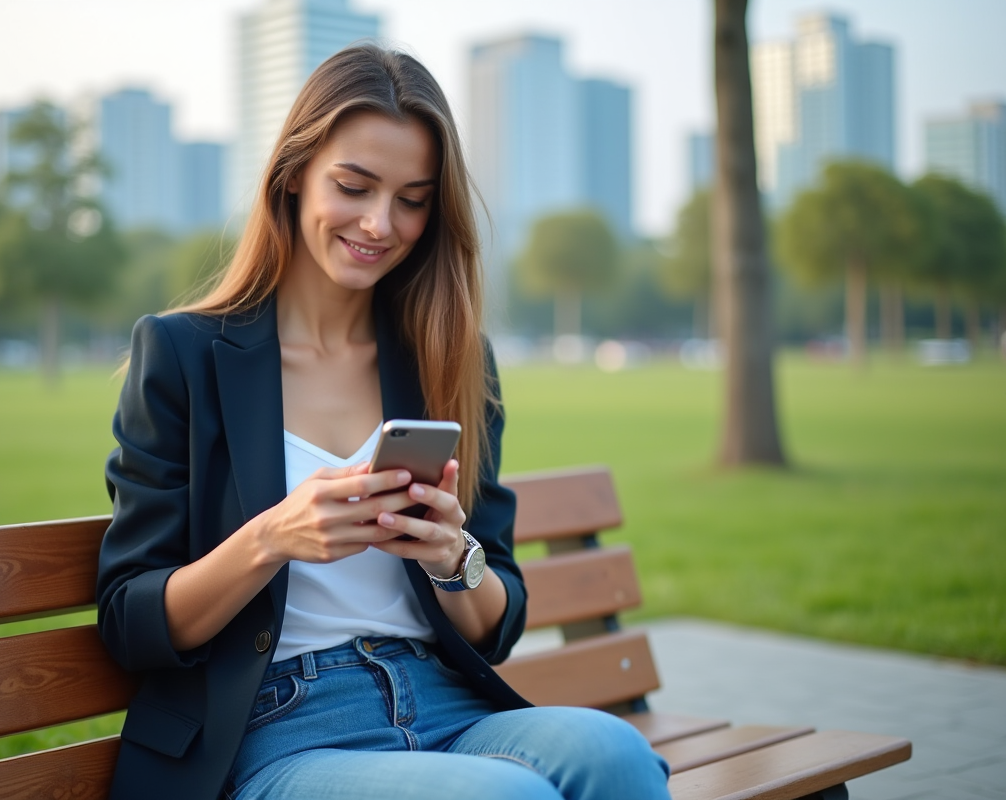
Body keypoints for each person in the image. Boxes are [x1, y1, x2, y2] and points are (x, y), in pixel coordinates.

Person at [96, 43, 671, 800]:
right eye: (355, 185)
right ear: (296, 173)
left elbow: (498, 622)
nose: (380, 223)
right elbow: (130, 620)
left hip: (440, 699)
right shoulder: (182, 354)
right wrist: (271, 537)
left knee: (616, 754)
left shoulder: (449, 359)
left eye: (412, 198)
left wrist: (450, 556)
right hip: (273, 731)